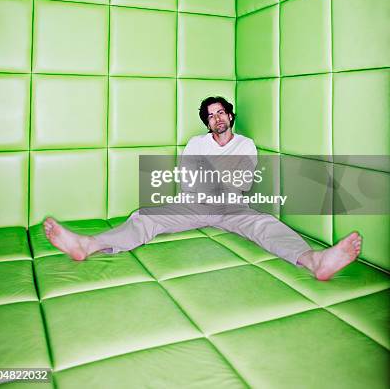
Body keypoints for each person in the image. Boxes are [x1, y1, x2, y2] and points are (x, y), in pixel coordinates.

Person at [44, 96, 362, 281]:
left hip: (231, 208)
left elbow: (243, 184)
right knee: (145, 217)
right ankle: (87, 244)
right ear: (207, 123)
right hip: (194, 204)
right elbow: (189, 181)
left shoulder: (246, 144)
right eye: (210, 116)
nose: (217, 118)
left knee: (266, 224)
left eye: (220, 112)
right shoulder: (196, 143)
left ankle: (315, 261)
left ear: (230, 115)